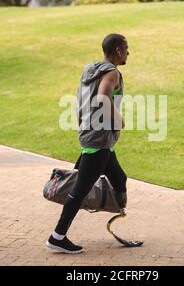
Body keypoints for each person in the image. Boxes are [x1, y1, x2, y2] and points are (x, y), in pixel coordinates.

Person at [46, 33, 130, 254]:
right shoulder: (112, 73)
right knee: (80, 189)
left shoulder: (90, 70)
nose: (128, 53)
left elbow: (81, 100)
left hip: (94, 135)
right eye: (126, 49)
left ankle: (112, 206)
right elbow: (103, 97)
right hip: (98, 138)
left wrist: (82, 121)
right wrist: (118, 119)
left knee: (119, 178)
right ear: (119, 51)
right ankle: (58, 236)